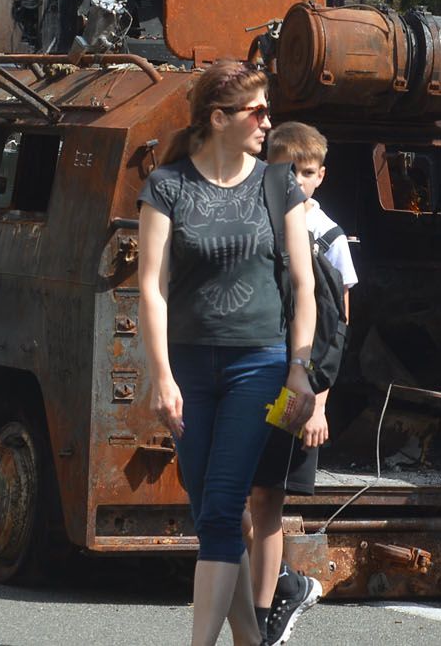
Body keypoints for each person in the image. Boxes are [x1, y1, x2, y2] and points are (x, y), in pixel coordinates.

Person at [138, 60, 316, 646]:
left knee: (220, 511)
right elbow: (152, 287)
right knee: (208, 511)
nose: (269, 123)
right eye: (257, 112)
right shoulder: (169, 186)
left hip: (259, 366)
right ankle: (251, 641)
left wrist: (299, 368)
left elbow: (304, 282)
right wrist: (161, 376)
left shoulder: (277, 183)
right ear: (218, 119)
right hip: (189, 366)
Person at [248, 122, 354, 644]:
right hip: (253, 375)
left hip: (298, 387)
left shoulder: (329, 237)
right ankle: (285, 582)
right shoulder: (257, 217)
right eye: (288, 169)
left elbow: (336, 330)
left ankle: (273, 601)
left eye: (306, 172)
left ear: (321, 176)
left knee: (268, 495)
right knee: (242, 500)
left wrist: (316, 404)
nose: (297, 180)